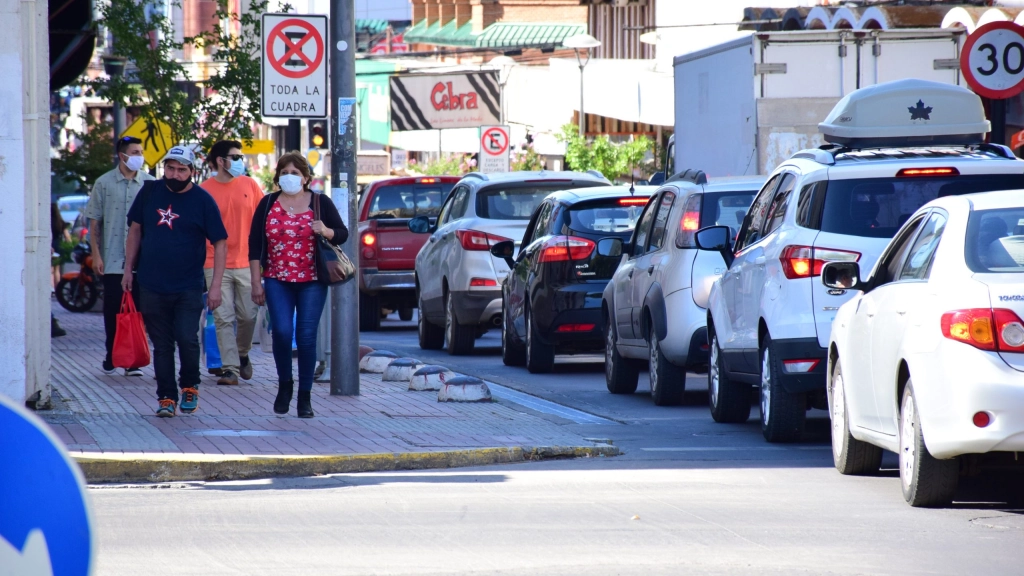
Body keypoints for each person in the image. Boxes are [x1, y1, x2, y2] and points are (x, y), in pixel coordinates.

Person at [123, 146, 228, 418]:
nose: (175, 174)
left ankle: (190, 386)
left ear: (192, 172)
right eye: (171, 168)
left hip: (189, 285)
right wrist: (127, 269)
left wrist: (215, 285)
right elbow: (135, 231)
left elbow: (220, 242)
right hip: (151, 283)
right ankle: (166, 397)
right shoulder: (149, 192)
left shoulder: (203, 200)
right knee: (162, 344)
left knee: (187, 338)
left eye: (182, 169)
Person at [248, 152, 348, 418]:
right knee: (281, 331)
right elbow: (255, 245)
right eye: (284, 172)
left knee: (305, 336)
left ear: (305, 177)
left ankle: (305, 396)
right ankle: (285, 385)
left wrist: (326, 231)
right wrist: (255, 282)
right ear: (278, 176)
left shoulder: (320, 202)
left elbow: (342, 232)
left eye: (295, 173)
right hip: (277, 278)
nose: (289, 177)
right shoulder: (268, 202)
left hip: (312, 280)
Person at [83, 136, 155, 375]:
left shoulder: (150, 184)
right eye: (135, 152)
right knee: (114, 310)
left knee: (139, 310)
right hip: (113, 259)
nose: (139, 156)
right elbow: (95, 222)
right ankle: (113, 354)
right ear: (122, 155)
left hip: (143, 262)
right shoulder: (103, 183)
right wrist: (96, 255)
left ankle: (133, 358)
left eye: (141, 151)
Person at [201, 140, 264, 385]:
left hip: (248, 262)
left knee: (249, 316)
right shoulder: (205, 190)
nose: (240, 161)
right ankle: (230, 369)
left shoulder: (250, 184)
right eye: (235, 157)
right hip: (214, 262)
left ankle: (242, 353)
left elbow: (262, 223)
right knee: (223, 317)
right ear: (220, 160)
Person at [50, 202, 71, 338]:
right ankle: (56, 287)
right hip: (57, 248)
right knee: (57, 270)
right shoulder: (60, 222)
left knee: (51, 270)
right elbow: (68, 238)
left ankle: (51, 288)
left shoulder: (47, 220)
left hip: (49, 247)